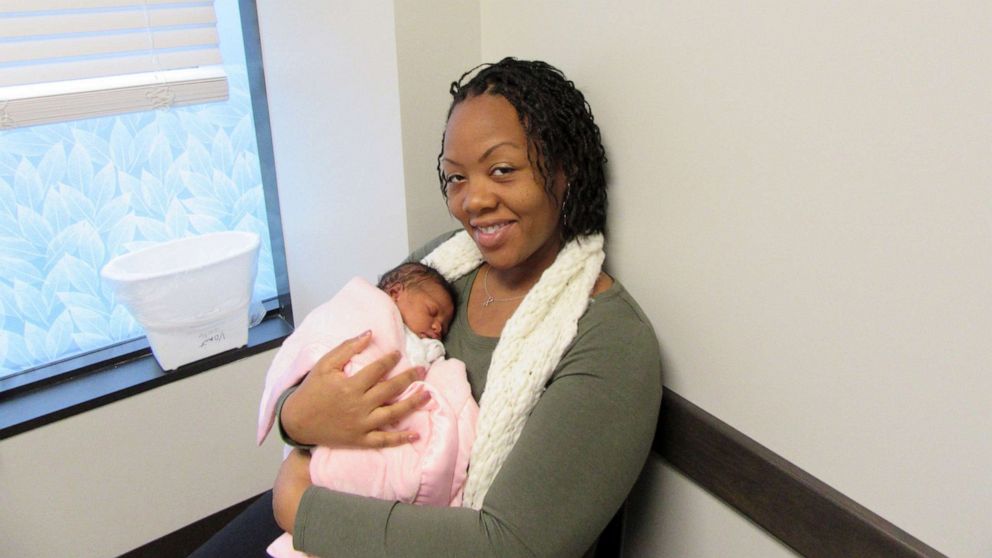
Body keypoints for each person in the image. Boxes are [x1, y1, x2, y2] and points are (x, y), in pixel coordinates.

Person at [192, 57, 661, 558]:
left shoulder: (610, 342)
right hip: (342, 495)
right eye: (455, 178)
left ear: (566, 171)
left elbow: (512, 546)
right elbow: (328, 354)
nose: (472, 202)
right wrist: (296, 418)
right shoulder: (440, 269)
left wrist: (297, 505)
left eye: (502, 170)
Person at [257, 262, 477, 557]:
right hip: (317, 444)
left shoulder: (417, 334)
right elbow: (317, 343)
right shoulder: (366, 309)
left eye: (445, 327)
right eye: (432, 312)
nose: (438, 327)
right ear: (396, 293)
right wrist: (294, 417)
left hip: (339, 492)